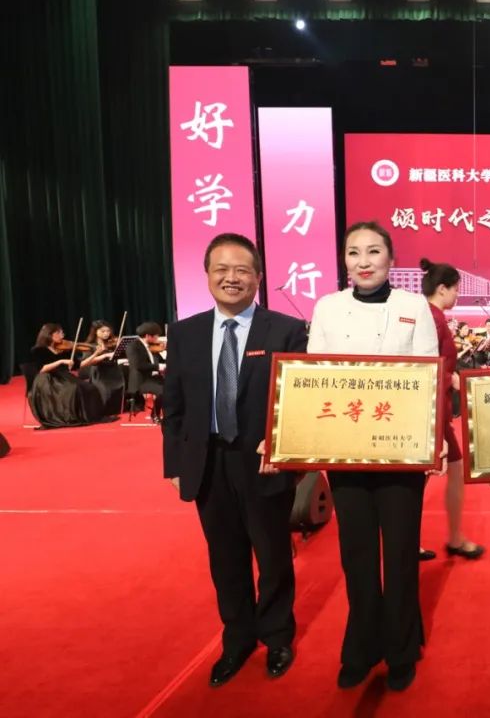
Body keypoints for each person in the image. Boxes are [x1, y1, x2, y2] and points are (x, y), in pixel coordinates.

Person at [161, 233, 308, 688]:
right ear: (206, 275)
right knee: (225, 558)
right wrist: (174, 464)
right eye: (221, 269)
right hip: (207, 463)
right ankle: (237, 638)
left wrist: (283, 447)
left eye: (242, 270)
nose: (231, 278)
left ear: (258, 278)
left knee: (273, 555)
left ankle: (277, 635)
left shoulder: (285, 330)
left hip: (263, 462)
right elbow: (174, 406)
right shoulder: (184, 333)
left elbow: (299, 400)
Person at [307, 221, 438, 692]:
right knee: (357, 555)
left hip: (400, 449)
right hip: (345, 449)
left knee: (400, 553)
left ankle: (401, 647)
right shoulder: (327, 307)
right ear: (344, 260)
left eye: (374, 251)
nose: (363, 261)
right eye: (354, 252)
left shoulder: (414, 306)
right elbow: (314, 374)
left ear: (390, 258)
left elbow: (427, 373)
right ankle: (361, 647)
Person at [419, 257, 485, 561]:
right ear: (442, 288)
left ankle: (454, 536)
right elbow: (427, 367)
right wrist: (452, 379)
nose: (458, 294)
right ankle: (451, 538)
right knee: (426, 478)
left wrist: (452, 378)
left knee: (452, 471)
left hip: (438, 408)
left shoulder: (431, 316)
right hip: (434, 410)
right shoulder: (432, 319)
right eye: (456, 289)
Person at [27, 323, 106, 428]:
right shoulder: (38, 350)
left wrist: (95, 354)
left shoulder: (64, 349)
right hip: (47, 379)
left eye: (62, 333)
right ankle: (69, 416)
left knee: (89, 387)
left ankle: (87, 416)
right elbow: (42, 369)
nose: (62, 335)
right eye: (59, 333)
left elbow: (79, 365)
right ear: (49, 335)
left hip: (64, 377)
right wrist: (61, 361)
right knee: (73, 389)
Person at [79, 319, 124, 415]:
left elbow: (118, 356)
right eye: (103, 331)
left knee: (122, 384)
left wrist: (120, 347)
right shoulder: (90, 346)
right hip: (100, 373)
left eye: (108, 331)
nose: (106, 333)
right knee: (106, 389)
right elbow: (89, 362)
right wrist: (104, 355)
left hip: (113, 371)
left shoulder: (111, 343)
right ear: (95, 332)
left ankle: (119, 408)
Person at [126, 321, 165, 421]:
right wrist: (158, 366)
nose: (158, 338)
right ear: (148, 336)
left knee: (174, 386)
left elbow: (159, 361)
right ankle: (154, 415)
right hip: (141, 381)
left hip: (153, 378)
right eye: (156, 336)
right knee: (163, 391)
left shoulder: (149, 346)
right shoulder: (133, 346)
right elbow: (138, 365)